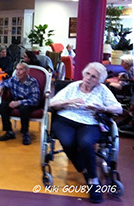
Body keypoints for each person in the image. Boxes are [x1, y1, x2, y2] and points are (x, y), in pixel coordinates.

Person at [49, 62, 122, 203]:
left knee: (86, 143)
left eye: (94, 77)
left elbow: (118, 109)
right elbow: (52, 104)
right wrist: (68, 102)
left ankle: (93, 180)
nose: (89, 78)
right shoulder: (72, 86)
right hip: (65, 119)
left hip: (90, 122)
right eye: (87, 74)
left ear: (99, 80)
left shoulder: (102, 90)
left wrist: (102, 107)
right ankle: (84, 169)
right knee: (67, 142)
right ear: (83, 73)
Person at [0, 62, 40, 145]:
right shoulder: (14, 78)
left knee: (24, 108)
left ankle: (25, 133)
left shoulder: (32, 82)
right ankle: (9, 131)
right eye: (16, 69)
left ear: (27, 72)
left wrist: (19, 103)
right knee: (3, 106)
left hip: (29, 102)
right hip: (16, 100)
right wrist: (0, 88)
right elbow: (5, 82)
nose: (17, 72)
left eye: (21, 70)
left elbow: (35, 99)